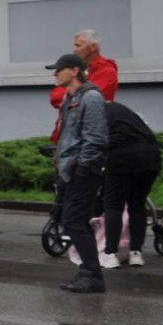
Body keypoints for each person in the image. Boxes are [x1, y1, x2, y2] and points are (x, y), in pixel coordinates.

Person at [49, 53, 108, 293]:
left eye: (59, 69)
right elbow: (67, 136)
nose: (55, 74)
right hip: (70, 170)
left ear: (74, 71)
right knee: (73, 221)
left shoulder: (91, 98)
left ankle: (92, 275)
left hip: (83, 171)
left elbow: (95, 138)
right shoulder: (70, 98)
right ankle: (88, 272)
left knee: (74, 220)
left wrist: (82, 168)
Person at [100, 100, 160, 269]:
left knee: (113, 205)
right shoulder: (122, 111)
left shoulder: (95, 112)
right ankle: (136, 253)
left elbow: (96, 140)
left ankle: (110, 254)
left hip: (122, 158)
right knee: (137, 205)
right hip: (151, 157)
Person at [49, 29, 117, 141]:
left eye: (78, 46)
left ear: (93, 47)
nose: (74, 50)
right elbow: (55, 97)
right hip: (67, 134)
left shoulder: (106, 70)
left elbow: (88, 98)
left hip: (85, 135)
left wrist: (70, 92)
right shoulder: (78, 67)